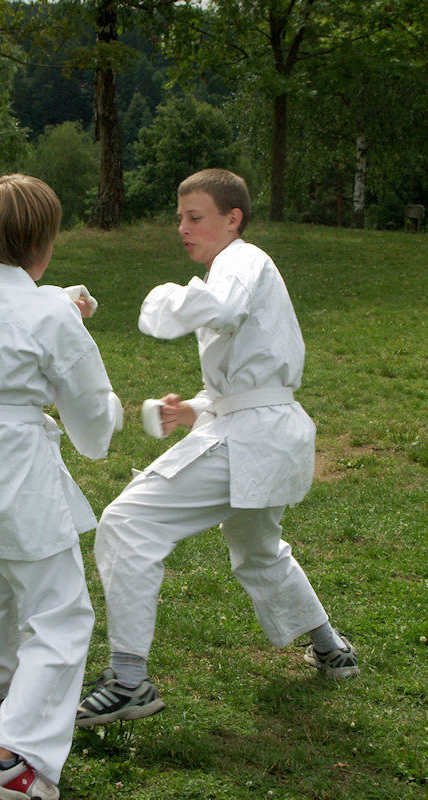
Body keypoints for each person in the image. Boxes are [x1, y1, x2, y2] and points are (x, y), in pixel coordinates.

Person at [76, 168, 358, 729]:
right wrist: (193, 410)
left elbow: (221, 310)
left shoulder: (241, 260)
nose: (182, 228)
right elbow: (247, 376)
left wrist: (161, 301)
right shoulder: (236, 268)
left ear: (233, 219)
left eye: (195, 217)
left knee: (127, 523)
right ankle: (330, 647)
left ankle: (129, 680)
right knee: (260, 550)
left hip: (256, 438)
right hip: (266, 434)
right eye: (180, 217)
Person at [0, 174, 122, 799]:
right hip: (13, 468)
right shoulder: (46, 315)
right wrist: (112, 414)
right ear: (40, 242)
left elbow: (2, 314)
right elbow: (90, 417)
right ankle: (16, 761)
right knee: (61, 615)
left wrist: (59, 303)